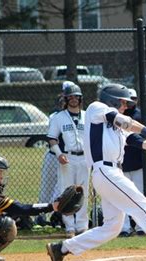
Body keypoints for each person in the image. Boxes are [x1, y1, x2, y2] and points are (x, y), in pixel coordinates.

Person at [46, 83, 146, 261]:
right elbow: (124, 121)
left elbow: (138, 142)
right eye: (123, 102)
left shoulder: (118, 126)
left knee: (112, 226)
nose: (126, 106)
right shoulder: (97, 109)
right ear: (112, 100)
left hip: (111, 173)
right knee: (144, 206)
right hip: (105, 170)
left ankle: (60, 249)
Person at [48, 84, 89, 238]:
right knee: (66, 192)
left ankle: (82, 226)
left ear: (80, 98)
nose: (73, 99)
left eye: (76, 96)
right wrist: (58, 153)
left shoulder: (87, 116)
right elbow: (52, 138)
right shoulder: (59, 117)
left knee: (82, 191)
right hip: (68, 157)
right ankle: (69, 227)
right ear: (66, 99)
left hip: (84, 157)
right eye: (70, 97)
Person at [36, 83, 72, 228]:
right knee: (47, 187)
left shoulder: (75, 117)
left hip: (68, 158)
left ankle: (58, 216)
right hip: (53, 156)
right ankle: (39, 216)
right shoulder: (54, 116)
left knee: (61, 188)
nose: (64, 103)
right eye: (63, 100)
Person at [119, 88, 145, 237]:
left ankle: (141, 226)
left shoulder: (139, 115)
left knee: (139, 195)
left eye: (134, 99)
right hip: (122, 164)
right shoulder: (119, 115)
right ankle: (125, 227)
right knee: (123, 196)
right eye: (129, 99)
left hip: (137, 163)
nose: (131, 102)